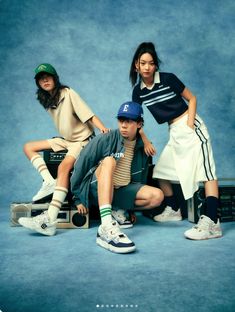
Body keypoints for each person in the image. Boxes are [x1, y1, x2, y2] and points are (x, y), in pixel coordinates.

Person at [129, 42, 222, 240]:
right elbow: (136, 120)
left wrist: (189, 125)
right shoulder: (138, 91)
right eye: (143, 63)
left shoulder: (168, 79)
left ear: (156, 66)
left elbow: (192, 98)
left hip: (191, 125)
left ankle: (212, 222)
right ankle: (173, 209)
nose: (147, 67)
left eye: (151, 63)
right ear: (136, 65)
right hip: (174, 131)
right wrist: (145, 140)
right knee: (161, 171)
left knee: (207, 172)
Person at [18, 63, 109, 236]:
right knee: (28, 147)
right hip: (66, 140)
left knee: (63, 168)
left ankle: (49, 220)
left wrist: (102, 128)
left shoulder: (68, 93)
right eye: (40, 78)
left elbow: (88, 114)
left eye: (48, 76)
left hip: (82, 140)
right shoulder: (47, 100)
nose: (45, 80)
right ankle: (49, 182)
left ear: (55, 78)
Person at [70, 101, 164, 253]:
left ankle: (118, 209)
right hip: (96, 188)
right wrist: (77, 198)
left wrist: (131, 211)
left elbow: (141, 178)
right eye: (121, 120)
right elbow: (81, 166)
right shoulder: (106, 138)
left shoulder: (143, 147)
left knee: (157, 196)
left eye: (129, 121)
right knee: (109, 160)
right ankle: (106, 226)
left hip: (121, 189)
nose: (123, 125)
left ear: (139, 124)